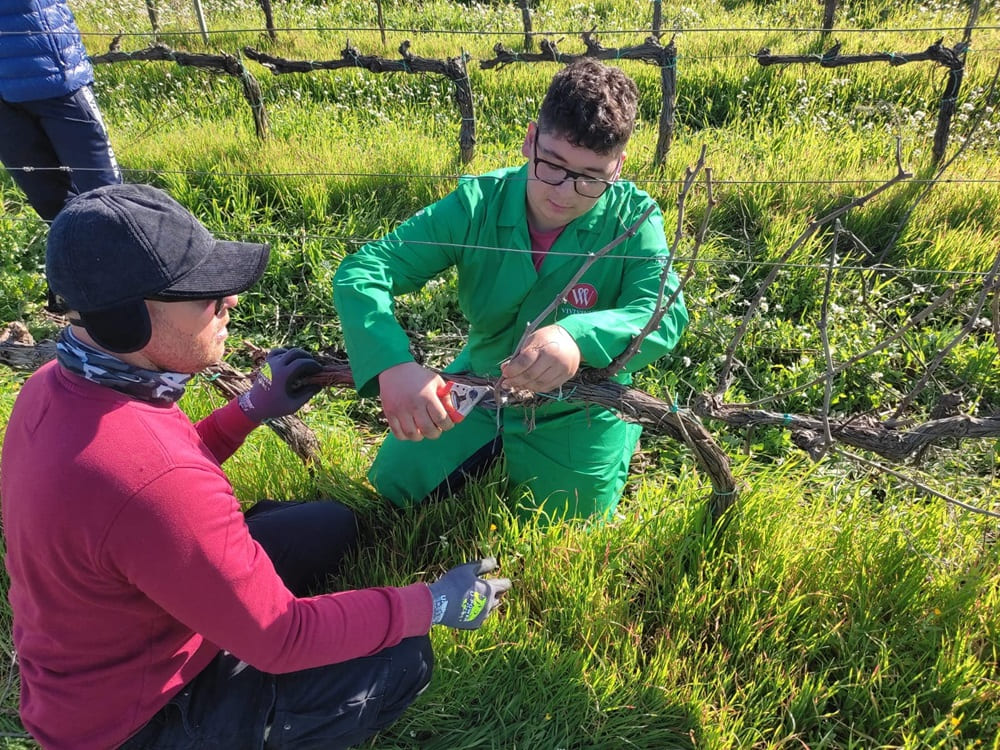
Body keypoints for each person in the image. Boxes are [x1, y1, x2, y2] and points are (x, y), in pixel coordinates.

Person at [0, 183, 511, 750]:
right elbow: (280, 636)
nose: (230, 303)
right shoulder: (155, 478)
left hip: (114, 644)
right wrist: (430, 603)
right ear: (130, 321)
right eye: (206, 296)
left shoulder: (59, 386)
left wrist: (249, 410)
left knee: (328, 525)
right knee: (402, 656)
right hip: (136, 721)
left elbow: (147, 482)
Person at [333, 59, 689, 522]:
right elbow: (366, 268)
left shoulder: (634, 219)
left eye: (591, 177)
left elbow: (663, 309)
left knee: (565, 530)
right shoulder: (478, 203)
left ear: (618, 166)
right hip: (481, 382)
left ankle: (617, 437)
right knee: (391, 491)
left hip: (579, 403)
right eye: (553, 165)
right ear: (530, 139)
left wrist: (577, 339)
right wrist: (392, 364)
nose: (566, 192)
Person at [0, 0, 121, 222]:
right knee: (51, 205)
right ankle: (78, 255)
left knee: (108, 197)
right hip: (6, 101)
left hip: (51, 76)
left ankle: (132, 252)